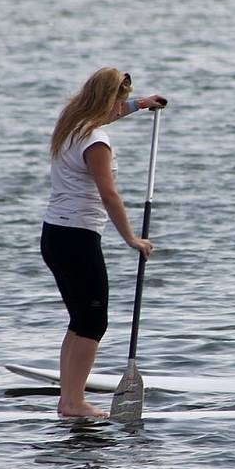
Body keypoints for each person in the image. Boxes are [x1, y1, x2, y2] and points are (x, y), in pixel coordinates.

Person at [41, 67, 166, 417]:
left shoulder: (71, 121)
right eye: (121, 102)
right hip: (77, 237)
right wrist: (132, 239)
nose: (120, 109)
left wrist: (141, 105)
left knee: (80, 319)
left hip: (54, 235)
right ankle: (74, 402)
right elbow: (108, 193)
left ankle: (68, 399)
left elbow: (108, 114)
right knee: (93, 322)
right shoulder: (96, 141)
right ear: (109, 101)